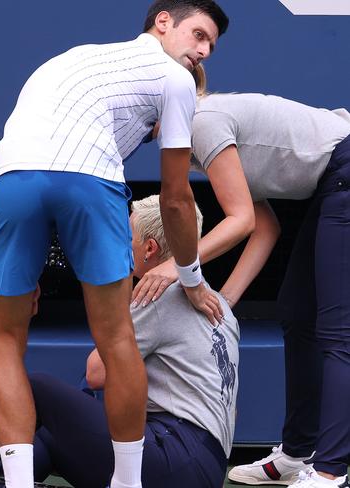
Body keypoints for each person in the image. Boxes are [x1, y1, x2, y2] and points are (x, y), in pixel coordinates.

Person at [0, 2, 229, 487]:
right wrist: (190, 278)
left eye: (211, 45)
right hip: (90, 184)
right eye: (199, 35)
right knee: (115, 338)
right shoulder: (175, 81)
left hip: (9, 182)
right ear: (163, 22)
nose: (202, 51)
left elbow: (38, 166)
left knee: (3, 341)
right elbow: (175, 200)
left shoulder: (69, 59)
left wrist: (26, 263)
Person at [0, 194, 239, 488]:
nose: (117, 244)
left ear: (148, 250)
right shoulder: (217, 301)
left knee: (35, 388)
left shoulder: (157, 294)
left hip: (173, 457)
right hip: (201, 466)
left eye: (123, 236)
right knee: (47, 434)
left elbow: (97, 373)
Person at [132, 87, 350, 487]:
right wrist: (223, 304)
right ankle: (298, 453)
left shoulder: (203, 122)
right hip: (332, 182)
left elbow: (242, 222)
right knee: (298, 314)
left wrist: (175, 268)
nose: (143, 127)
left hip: (345, 169)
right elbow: (266, 226)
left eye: (145, 117)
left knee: (337, 331)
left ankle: (329, 470)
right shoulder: (198, 141)